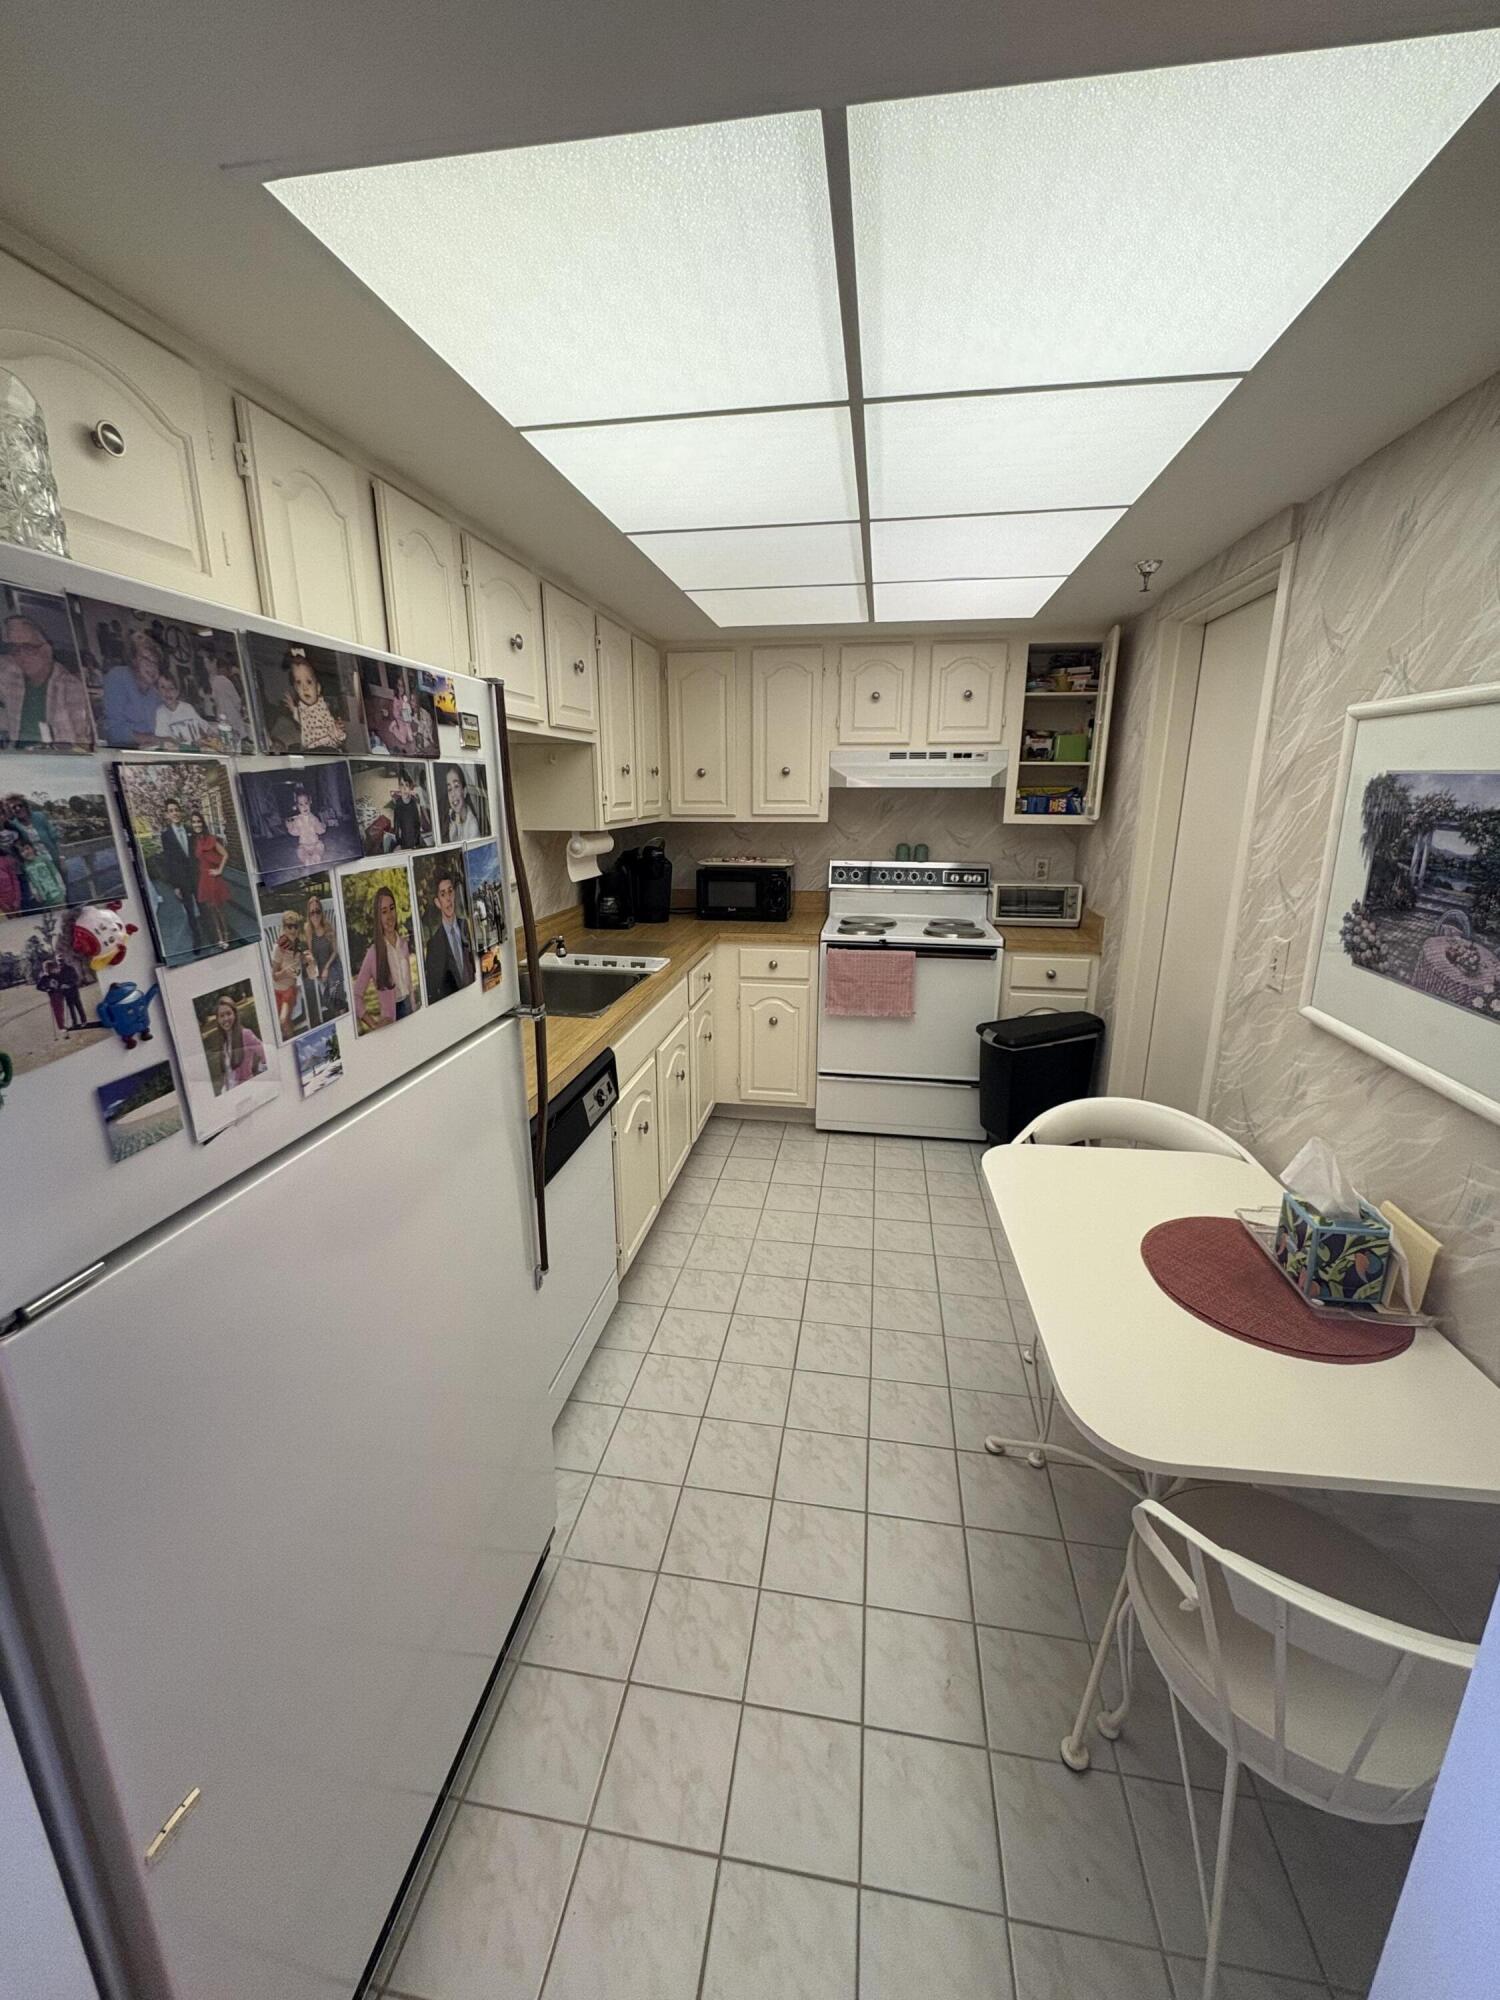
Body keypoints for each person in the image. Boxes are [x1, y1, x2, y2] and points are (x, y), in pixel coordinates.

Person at [0, 613, 94, 749]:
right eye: (15, 649)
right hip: (17, 761)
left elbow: (84, 743)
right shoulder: (11, 675)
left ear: (47, 649)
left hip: (57, 763)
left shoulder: (69, 686)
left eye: (28, 647)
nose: (21, 655)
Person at [352, 882, 415, 1029]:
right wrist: (374, 1025)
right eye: (384, 911)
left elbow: (409, 986)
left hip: (411, 1010)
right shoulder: (373, 953)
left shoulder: (403, 945)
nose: (389, 916)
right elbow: (356, 996)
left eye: (391, 909)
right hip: (393, 1018)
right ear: (378, 917)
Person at [150, 796, 202, 951]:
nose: (174, 813)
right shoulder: (166, 836)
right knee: (190, 911)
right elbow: (170, 862)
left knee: (203, 906)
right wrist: (175, 886)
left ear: (181, 812)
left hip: (197, 877)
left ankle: (212, 935)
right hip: (182, 880)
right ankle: (197, 940)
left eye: (176, 810)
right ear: (167, 814)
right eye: (171, 811)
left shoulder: (190, 830)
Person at [101, 629, 167, 747]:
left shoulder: (155, 693)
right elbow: (112, 732)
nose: (151, 666)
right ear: (133, 660)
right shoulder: (118, 676)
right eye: (145, 659)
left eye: (155, 662)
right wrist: (156, 739)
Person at [422, 864, 475, 999]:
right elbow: (433, 991)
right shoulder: (433, 945)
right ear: (437, 902)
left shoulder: (467, 927)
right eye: (443, 894)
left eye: (450, 891)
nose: (448, 898)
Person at [280, 648, 346, 751]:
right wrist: (293, 708)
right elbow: (302, 719)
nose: (304, 688)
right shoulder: (302, 708)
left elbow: (331, 728)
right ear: (296, 690)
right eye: (299, 683)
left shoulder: (322, 708)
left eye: (309, 682)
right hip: (310, 750)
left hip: (326, 747)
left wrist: (337, 730)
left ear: (318, 688)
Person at [190, 809, 232, 950]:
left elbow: (225, 854)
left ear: (202, 822)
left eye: (198, 821)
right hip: (203, 878)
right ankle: (219, 937)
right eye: (194, 822)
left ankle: (226, 936)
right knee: (211, 910)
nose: (197, 824)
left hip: (213, 877)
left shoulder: (211, 839)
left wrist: (219, 870)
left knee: (219, 909)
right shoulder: (194, 841)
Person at [211, 991, 266, 1093]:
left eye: (228, 1013)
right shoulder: (223, 1040)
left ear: (235, 1014)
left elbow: (266, 1054)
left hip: (246, 1091)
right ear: (218, 1019)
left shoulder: (245, 1034)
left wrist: (261, 1072)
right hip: (229, 1092)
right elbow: (228, 1072)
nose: (226, 1018)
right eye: (221, 1016)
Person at [305, 890, 345, 1018]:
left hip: (332, 963)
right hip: (320, 967)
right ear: (309, 915)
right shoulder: (308, 930)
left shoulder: (328, 927)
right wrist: (315, 967)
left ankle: (341, 1013)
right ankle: (341, 1011)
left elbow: (334, 951)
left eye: (317, 911)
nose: (315, 915)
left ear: (321, 912)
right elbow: (311, 952)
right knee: (330, 994)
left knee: (334, 981)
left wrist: (327, 968)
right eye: (312, 912)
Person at [268, 910, 309, 1037]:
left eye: (295, 926)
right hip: (277, 990)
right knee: (286, 1023)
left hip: (289, 990)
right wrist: (285, 973)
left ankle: (290, 1038)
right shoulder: (279, 948)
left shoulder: (297, 945)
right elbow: (274, 976)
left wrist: (307, 958)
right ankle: (292, 1040)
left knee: (283, 1019)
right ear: (284, 928)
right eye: (289, 926)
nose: (293, 930)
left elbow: (300, 960)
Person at [153, 673, 212, 747]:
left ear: (177, 692)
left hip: (199, 747)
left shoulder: (187, 707)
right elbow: (164, 738)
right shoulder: (160, 713)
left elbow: (203, 727)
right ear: (157, 691)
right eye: (162, 687)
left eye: (171, 688)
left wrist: (207, 737)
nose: (167, 691)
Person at [208, 656, 249, 749]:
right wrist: (240, 709)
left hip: (221, 712)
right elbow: (236, 699)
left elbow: (213, 697)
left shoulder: (214, 681)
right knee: (238, 731)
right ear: (224, 669)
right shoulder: (226, 681)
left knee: (226, 734)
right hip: (232, 711)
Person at [284, 784, 326, 869]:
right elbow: (295, 833)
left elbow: (320, 831)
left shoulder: (314, 818)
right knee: (299, 851)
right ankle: (306, 859)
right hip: (304, 845)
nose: (304, 806)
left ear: (310, 802)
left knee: (321, 846)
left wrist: (322, 826)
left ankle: (316, 856)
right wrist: (290, 827)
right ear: (297, 806)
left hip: (315, 843)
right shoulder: (297, 820)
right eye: (301, 804)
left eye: (306, 803)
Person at [17, 837, 64, 908]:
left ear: (32, 848)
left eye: (27, 848)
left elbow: (55, 873)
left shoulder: (43, 859)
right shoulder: (25, 866)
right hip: (44, 899)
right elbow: (30, 882)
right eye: (22, 851)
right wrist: (35, 894)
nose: (26, 852)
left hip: (56, 894)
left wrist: (62, 888)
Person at [442, 764, 482, 841]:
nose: (453, 794)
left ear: (464, 791)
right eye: (449, 789)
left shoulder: (472, 826)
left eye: (456, 786)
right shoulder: (452, 818)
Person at [390, 770, 425, 850]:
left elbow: (417, 824)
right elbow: (396, 826)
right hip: (403, 841)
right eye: (402, 785)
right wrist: (399, 843)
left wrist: (416, 842)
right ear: (399, 787)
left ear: (410, 788)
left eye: (407, 785)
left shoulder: (414, 804)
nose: (404, 788)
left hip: (414, 840)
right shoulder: (398, 805)